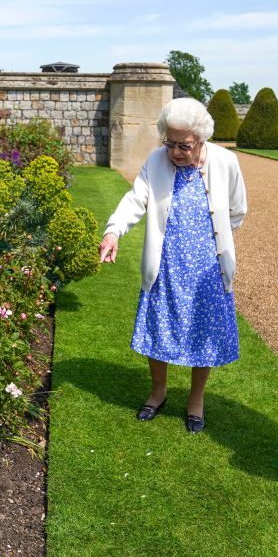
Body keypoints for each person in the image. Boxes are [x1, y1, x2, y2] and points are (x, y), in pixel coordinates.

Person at [98, 98, 247, 434]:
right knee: (157, 328)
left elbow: (237, 211)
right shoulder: (156, 161)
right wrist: (113, 231)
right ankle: (158, 392)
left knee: (204, 333)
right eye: (170, 143)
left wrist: (213, 241)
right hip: (166, 263)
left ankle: (196, 399)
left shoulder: (226, 162)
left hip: (208, 267)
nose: (176, 152)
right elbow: (135, 199)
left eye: (185, 145)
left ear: (201, 138)